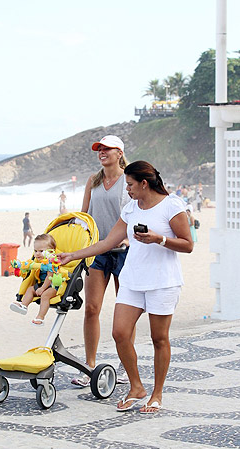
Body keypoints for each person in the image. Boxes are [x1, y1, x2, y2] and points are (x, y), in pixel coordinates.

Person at [59, 160, 193, 413]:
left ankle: (156, 394)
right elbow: (108, 241)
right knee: (120, 333)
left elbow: (187, 244)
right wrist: (74, 255)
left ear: (144, 183)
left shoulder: (172, 205)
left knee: (159, 338)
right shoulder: (131, 209)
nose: (127, 189)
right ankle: (136, 387)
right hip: (133, 279)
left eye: (130, 185)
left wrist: (158, 238)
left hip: (163, 282)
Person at [71, 134, 131, 387]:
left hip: (124, 252)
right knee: (91, 309)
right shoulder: (93, 181)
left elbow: (138, 212)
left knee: (124, 312)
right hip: (96, 252)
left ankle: (126, 367)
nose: (102, 152)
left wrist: (129, 240)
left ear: (119, 153)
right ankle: (90, 367)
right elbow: (84, 216)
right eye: (99, 149)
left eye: (107, 149)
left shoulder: (129, 180)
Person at [10, 234, 58, 326]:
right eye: (35, 251)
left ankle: (40, 317)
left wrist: (43, 288)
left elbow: (49, 277)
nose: (37, 253)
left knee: (45, 296)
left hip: (53, 286)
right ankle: (24, 305)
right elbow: (28, 266)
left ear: (51, 251)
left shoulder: (52, 262)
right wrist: (21, 268)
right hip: (41, 284)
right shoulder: (37, 261)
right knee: (30, 289)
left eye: (41, 251)